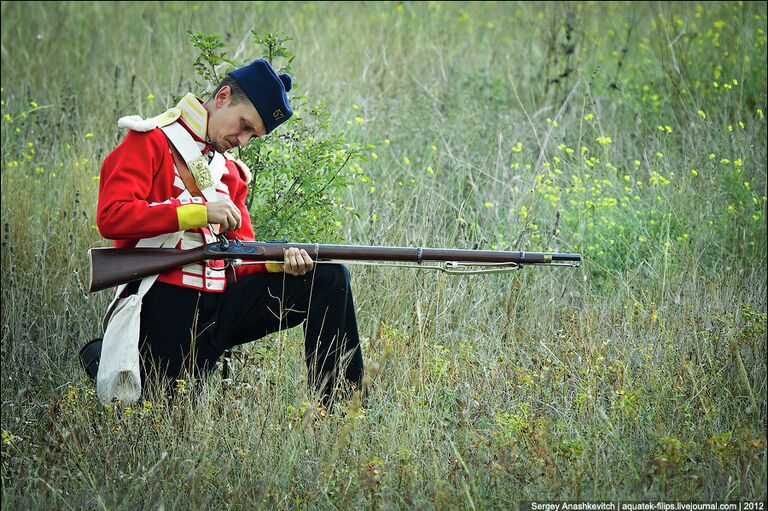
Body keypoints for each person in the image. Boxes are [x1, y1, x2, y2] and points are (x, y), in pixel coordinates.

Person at [90, 59, 364, 408]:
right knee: (166, 415)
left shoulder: (230, 172)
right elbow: (112, 216)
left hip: (218, 305)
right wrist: (198, 213)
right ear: (222, 97)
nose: (243, 141)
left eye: (253, 135)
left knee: (329, 278)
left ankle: (342, 410)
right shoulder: (150, 140)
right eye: (244, 126)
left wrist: (279, 264)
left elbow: (240, 254)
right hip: (164, 302)